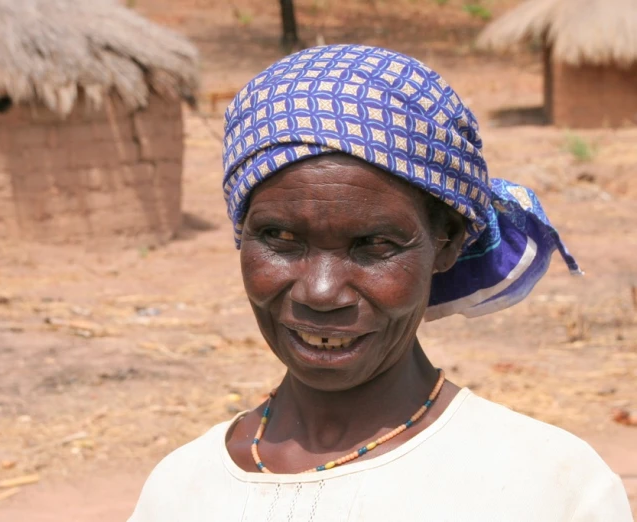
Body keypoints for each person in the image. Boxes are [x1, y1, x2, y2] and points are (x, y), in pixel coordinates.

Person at [128, 45, 633, 521]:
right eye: (279, 237)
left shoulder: (547, 488)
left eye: (374, 245)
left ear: (447, 241)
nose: (320, 291)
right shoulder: (180, 491)